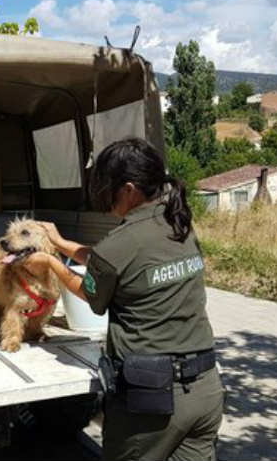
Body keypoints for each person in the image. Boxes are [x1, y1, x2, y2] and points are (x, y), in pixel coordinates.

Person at [22, 137, 224, 461]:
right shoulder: (178, 223)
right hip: (205, 390)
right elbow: (115, 263)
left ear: (129, 189)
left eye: (107, 186)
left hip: (153, 400)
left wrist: (51, 264)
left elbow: (92, 290)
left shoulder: (122, 240)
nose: (104, 195)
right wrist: (60, 242)